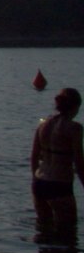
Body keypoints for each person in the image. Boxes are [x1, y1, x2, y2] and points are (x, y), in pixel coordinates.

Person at [31, 87, 84, 232]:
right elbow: (79, 163)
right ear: (75, 107)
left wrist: (35, 180)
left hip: (39, 183)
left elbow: (34, 157)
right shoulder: (75, 129)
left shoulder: (43, 125)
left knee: (43, 231)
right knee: (68, 234)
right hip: (60, 184)